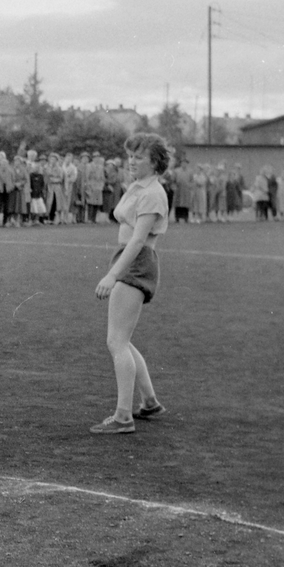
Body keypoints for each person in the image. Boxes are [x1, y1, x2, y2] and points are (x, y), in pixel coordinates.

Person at [91, 133, 170, 434]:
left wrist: (112, 275)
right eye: (130, 156)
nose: (132, 161)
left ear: (155, 162)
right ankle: (149, 401)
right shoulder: (139, 187)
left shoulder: (153, 193)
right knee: (121, 338)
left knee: (117, 342)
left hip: (136, 260)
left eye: (139, 157)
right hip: (130, 258)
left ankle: (123, 417)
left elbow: (138, 240)